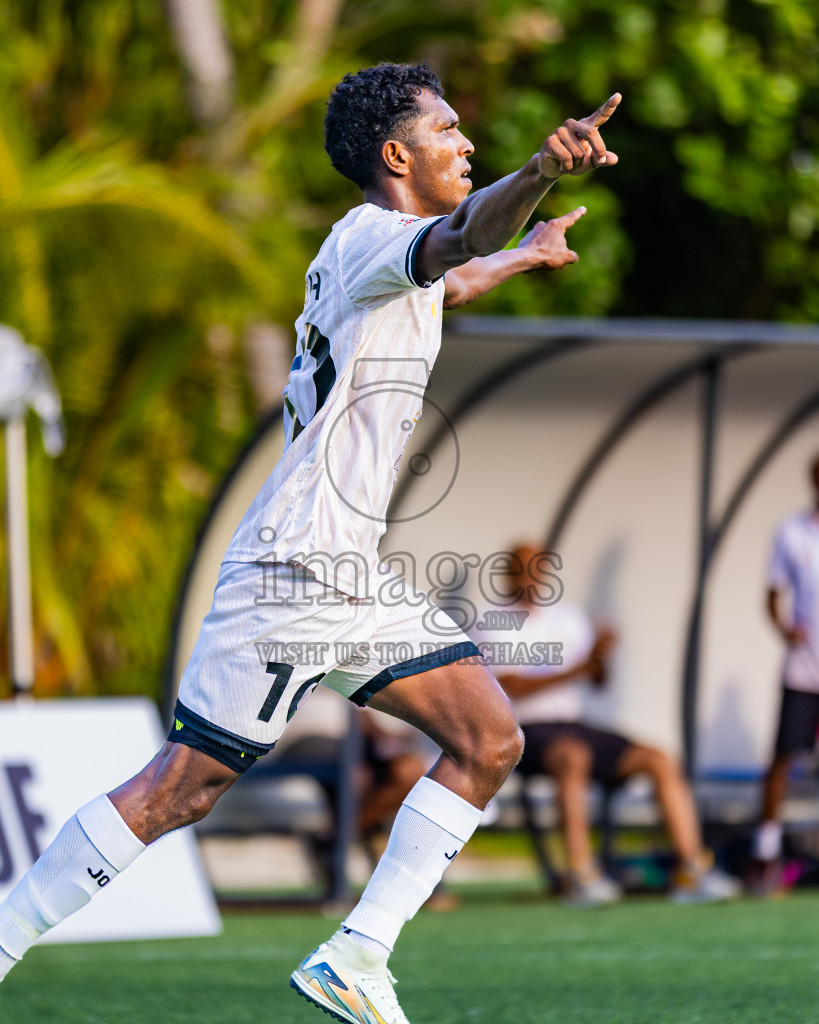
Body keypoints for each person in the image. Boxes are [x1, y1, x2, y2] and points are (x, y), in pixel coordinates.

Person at [0, 64, 621, 1024]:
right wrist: (540, 170)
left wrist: (525, 256)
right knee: (181, 788)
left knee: (489, 739)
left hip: (346, 570)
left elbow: (445, 279)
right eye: (449, 129)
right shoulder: (384, 235)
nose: (466, 144)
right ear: (396, 154)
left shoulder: (367, 251)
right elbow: (455, 239)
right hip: (297, 568)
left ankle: (357, 956)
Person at [483, 544, 740, 906]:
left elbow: (599, 681)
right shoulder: (492, 619)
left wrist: (602, 654)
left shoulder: (568, 616)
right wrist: (579, 668)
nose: (533, 575)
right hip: (524, 731)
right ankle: (581, 873)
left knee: (658, 758)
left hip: (573, 724)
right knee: (573, 756)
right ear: (508, 573)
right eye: (524, 567)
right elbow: (511, 684)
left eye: (538, 566)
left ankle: (691, 868)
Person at [749, 454, 819, 894]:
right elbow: (772, 595)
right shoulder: (792, 532)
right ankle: (765, 853)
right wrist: (783, 629)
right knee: (784, 757)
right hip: (804, 669)